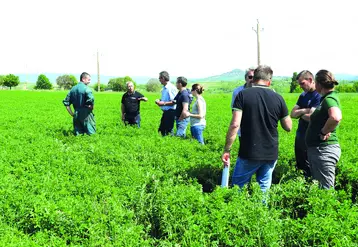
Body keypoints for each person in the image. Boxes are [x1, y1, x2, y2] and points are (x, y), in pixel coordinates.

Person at [221, 65, 292, 193]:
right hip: (271, 153)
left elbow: (235, 124)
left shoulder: (242, 95)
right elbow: (288, 127)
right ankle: (261, 212)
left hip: (249, 152)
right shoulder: (278, 98)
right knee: (263, 189)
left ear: (253, 80)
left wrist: (227, 149)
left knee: (238, 187)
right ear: (269, 81)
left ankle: (240, 212)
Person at [306, 70, 342, 189]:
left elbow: (336, 117)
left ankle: (328, 208)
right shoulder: (326, 98)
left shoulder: (329, 99)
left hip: (323, 151)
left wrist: (323, 132)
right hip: (320, 150)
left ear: (319, 84)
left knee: (325, 189)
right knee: (321, 187)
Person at [290, 70, 321, 178]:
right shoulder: (303, 95)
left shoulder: (318, 95)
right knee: (300, 161)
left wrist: (302, 113)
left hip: (313, 135)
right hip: (301, 133)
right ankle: (302, 183)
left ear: (310, 80)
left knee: (311, 162)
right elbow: (292, 114)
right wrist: (304, 111)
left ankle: (311, 184)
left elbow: (311, 118)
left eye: (302, 83)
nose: (300, 86)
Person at [231, 67, 255, 138]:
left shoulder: (260, 91)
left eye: (255, 77)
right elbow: (234, 109)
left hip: (258, 129)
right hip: (243, 128)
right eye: (250, 77)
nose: (253, 79)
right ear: (245, 78)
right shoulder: (237, 92)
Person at [155, 71, 178, 136]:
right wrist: (159, 101)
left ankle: (171, 143)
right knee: (161, 130)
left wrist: (163, 103)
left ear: (163, 78)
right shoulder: (164, 88)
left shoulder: (171, 88)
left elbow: (174, 101)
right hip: (165, 112)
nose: (159, 80)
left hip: (171, 112)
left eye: (160, 78)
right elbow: (165, 100)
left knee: (169, 131)